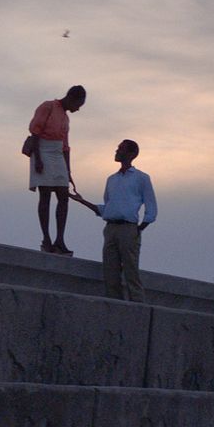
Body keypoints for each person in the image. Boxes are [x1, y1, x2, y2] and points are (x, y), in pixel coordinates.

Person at [74, 139, 157, 302]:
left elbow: (151, 207)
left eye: (121, 149)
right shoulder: (112, 179)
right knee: (110, 273)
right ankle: (115, 306)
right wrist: (82, 201)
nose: (117, 151)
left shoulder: (142, 178)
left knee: (131, 272)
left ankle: (138, 308)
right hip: (110, 228)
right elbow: (107, 208)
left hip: (128, 228)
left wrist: (138, 229)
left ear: (132, 154)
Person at [27, 85, 86, 255]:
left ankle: (60, 239)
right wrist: (37, 159)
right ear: (72, 98)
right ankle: (46, 239)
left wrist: (68, 171)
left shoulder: (66, 118)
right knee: (45, 195)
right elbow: (35, 132)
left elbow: (66, 146)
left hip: (58, 153)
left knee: (63, 195)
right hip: (43, 150)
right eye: (79, 104)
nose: (78, 109)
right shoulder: (48, 106)